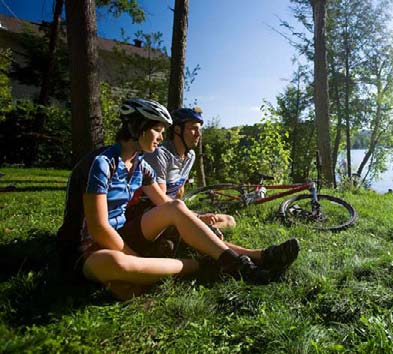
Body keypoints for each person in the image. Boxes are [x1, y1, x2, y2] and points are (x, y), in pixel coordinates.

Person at [58, 98, 299, 300]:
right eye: (157, 130)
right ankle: (205, 266)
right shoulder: (102, 163)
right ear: (137, 127)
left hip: (123, 232)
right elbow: (99, 229)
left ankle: (241, 263)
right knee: (116, 264)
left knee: (176, 207)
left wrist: (196, 221)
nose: (161, 137)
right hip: (86, 246)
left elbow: (167, 205)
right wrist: (134, 256)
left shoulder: (140, 165)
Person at [128, 107, 234, 235]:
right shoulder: (159, 154)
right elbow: (160, 202)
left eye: (199, 130)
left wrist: (192, 215)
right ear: (178, 130)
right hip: (150, 212)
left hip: (174, 209)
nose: (198, 134)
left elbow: (179, 191)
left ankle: (198, 233)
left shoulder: (190, 156)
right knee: (202, 224)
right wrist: (195, 217)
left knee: (229, 220)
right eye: (193, 129)